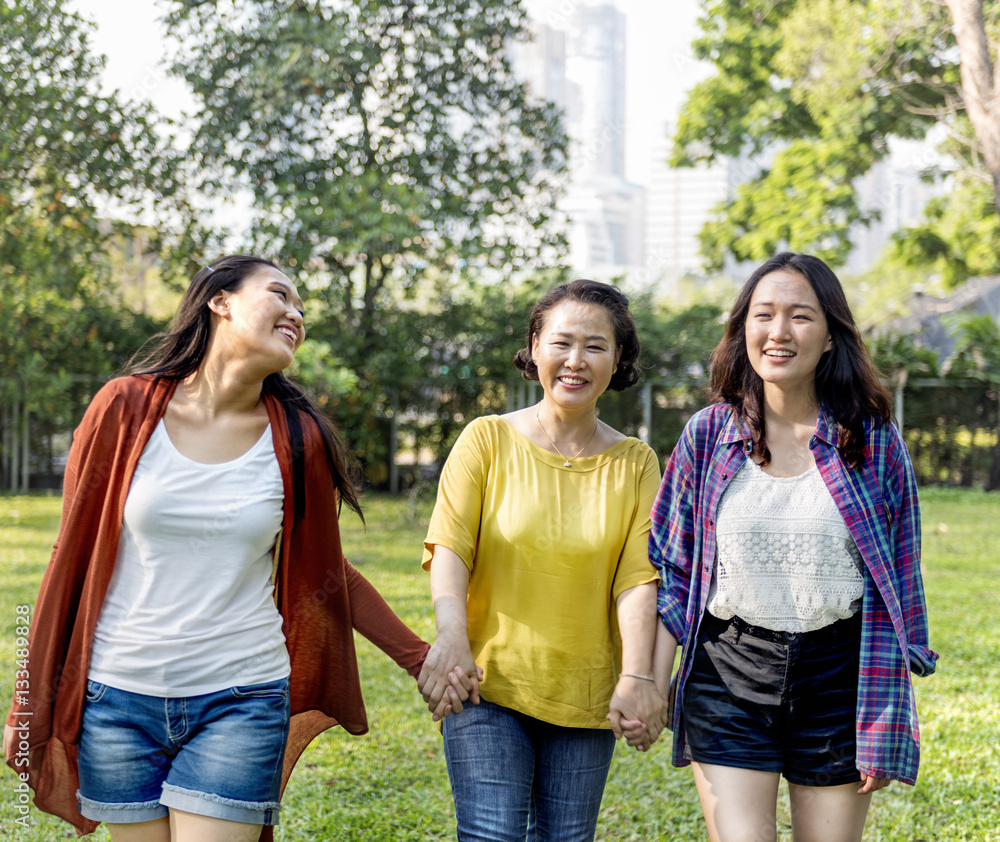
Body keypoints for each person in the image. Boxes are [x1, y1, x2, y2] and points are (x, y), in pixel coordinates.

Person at [3, 255, 472, 842]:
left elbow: (330, 573)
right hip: (116, 699)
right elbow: (69, 553)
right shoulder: (122, 409)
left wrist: (418, 656)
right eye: (280, 295)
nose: (295, 314)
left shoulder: (299, 437)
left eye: (302, 309)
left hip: (240, 698)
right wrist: (31, 696)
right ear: (218, 301)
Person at [649, 252, 938, 842]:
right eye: (764, 315)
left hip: (838, 679)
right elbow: (671, 570)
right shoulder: (708, 435)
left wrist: (884, 720)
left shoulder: (873, 442)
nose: (779, 332)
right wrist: (649, 684)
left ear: (831, 336)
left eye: (800, 316)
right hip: (728, 672)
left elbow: (901, 583)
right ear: (744, 328)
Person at [417, 279, 667, 842]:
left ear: (618, 359)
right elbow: (451, 545)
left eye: (596, 346)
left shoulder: (635, 463)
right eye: (561, 342)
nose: (575, 361)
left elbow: (637, 580)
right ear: (534, 347)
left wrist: (637, 674)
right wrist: (451, 636)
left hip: (586, 692)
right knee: (491, 834)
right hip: (486, 679)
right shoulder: (486, 440)